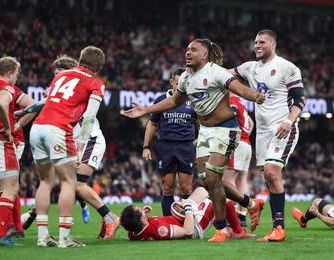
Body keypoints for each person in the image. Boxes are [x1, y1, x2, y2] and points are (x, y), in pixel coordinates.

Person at [121, 38, 265, 242]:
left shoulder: (217, 72)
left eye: (194, 50)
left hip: (225, 129)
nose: (188, 52)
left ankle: (222, 231)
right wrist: (146, 109)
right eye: (187, 49)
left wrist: (255, 96)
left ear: (204, 55)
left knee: (214, 179)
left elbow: (239, 89)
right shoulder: (186, 78)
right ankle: (250, 204)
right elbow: (172, 101)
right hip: (205, 131)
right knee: (207, 182)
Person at [16, 54, 120, 241]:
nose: (57, 76)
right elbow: (44, 104)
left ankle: (109, 217)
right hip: (65, 139)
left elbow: (87, 117)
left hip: (89, 140)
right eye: (55, 73)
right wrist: (24, 111)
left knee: (76, 184)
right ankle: (55, 221)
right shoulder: (63, 87)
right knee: (63, 183)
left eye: (60, 72)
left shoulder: (83, 85)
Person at [229, 29, 306, 242]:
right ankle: (267, 217)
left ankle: (279, 229)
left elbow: (300, 99)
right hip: (262, 133)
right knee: (269, 178)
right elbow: (225, 74)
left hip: (283, 128)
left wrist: (289, 120)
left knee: (272, 173)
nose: (257, 45)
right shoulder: (249, 68)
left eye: (262, 42)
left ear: (273, 44)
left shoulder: (286, 67)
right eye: (255, 42)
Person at [29, 46, 105, 248]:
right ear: (99, 67)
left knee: (45, 181)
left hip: (37, 128)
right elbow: (89, 117)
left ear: (80, 59)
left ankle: (42, 237)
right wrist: (80, 146)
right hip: (58, 130)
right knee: (68, 183)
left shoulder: (60, 76)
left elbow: (46, 103)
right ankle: (64, 238)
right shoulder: (96, 83)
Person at [0, 60, 37, 239]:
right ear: (10, 73)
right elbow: (13, 105)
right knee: (9, 187)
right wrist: (12, 127)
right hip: (2, 142)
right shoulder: (7, 89)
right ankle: (8, 230)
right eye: (17, 74)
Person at [142, 67, 198, 216]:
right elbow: (152, 124)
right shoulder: (161, 100)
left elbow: (201, 124)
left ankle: (187, 222)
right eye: (178, 83)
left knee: (186, 189)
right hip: (166, 147)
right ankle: (168, 222)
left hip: (186, 147)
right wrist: (146, 147)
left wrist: (203, 143)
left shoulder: (193, 100)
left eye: (184, 83)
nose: (181, 86)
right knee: (168, 188)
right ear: (171, 82)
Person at [120, 187, 256, 240]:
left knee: (202, 190)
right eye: (139, 210)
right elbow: (188, 232)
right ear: (142, 220)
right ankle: (238, 231)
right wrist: (188, 208)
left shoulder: (133, 231)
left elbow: (131, 221)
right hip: (195, 226)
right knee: (221, 200)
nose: (141, 209)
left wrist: (143, 213)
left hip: (183, 219)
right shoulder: (160, 230)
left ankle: (225, 228)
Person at [222, 91, 254, 227]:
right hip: (247, 144)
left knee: (226, 181)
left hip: (238, 144)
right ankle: (242, 215)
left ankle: (233, 216)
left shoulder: (232, 103)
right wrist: (244, 136)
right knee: (242, 181)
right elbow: (251, 124)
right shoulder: (242, 103)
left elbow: (232, 114)